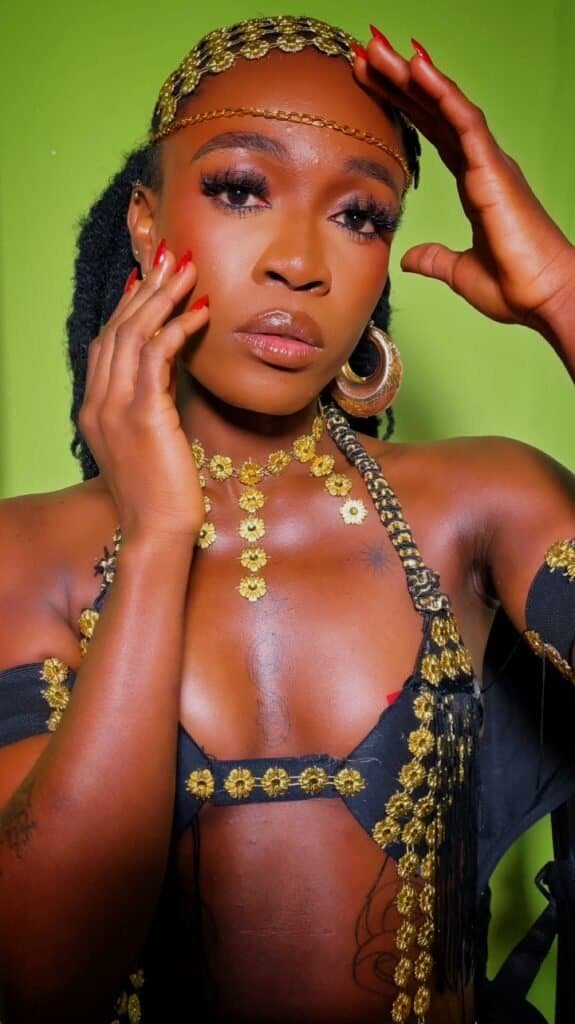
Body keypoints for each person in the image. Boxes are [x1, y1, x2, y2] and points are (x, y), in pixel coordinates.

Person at [0, 14, 573, 1024]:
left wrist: (564, 296)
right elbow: (41, 982)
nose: (300, 263)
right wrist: (158, 539)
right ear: (146, 223)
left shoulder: (483, 504)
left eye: (359, 215)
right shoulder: (24, 554)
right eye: (239, 188)